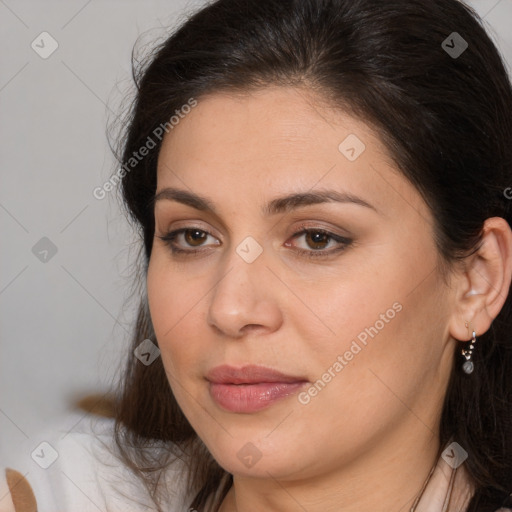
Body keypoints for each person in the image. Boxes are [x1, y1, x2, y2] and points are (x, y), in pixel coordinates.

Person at [2, 0, 512, 510]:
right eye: (193, 236)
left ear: (476, 280)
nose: (229, 309)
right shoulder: (60, 494)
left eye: (316, 238)